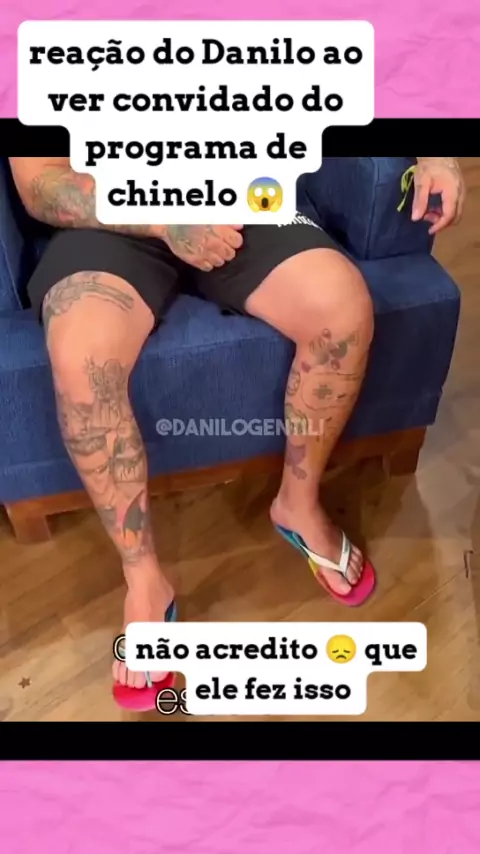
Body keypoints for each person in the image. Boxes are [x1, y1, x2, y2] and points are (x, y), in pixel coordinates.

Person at [9, 156, 465, 710]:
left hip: (239, 192)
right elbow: (40, 183)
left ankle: (298, 505)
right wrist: (165, 219)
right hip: (107, 214)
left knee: (342, 310)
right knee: (83, 362)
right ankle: (143, 578)